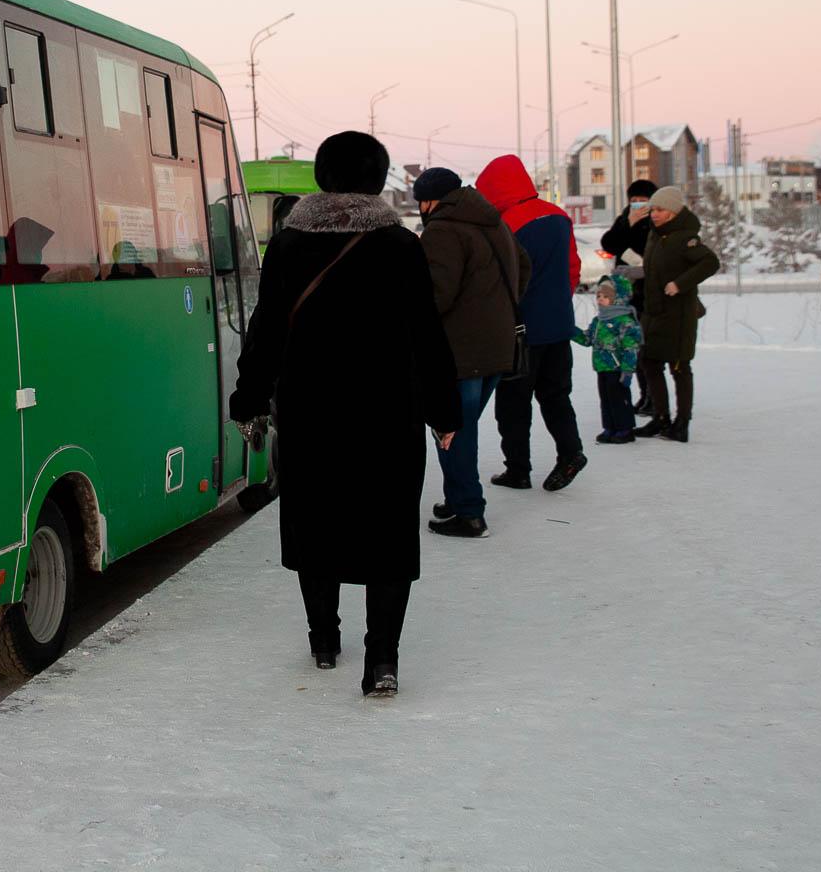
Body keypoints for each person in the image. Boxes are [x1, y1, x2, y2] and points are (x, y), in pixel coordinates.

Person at [231, 131, 460, 698]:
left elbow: (266, 332)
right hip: (388, 412)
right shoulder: (400, 246)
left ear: (323, 177)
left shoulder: (287, 246)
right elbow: (427, 335)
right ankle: (382, 658)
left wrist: (250, 400)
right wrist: (444, 410)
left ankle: (324, 640)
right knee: (388, 530)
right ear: (378, 178)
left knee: (317, 521)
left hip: (312, 412)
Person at [411, 167, 529, 539]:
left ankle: (468, 512)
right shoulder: (493, 223)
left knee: (451, 429)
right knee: (458, 426)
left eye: (421, 201)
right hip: (498, 344)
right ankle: (457, 498)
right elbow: (523, 268)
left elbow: (435, 294)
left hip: (460, 350)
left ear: (433, 200)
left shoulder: (443, 229)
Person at [473, 155, 588, 492]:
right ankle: (571, 452)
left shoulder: (505, 225)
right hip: (558, 325)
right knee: (556, 395)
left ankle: (518, 470)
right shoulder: (558, 216)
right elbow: (573, 268)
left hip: (520, 331)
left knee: (512, 404)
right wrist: (557, 305)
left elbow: (500, 282)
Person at [633, 186, 721, 442]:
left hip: (678, 315)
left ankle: (681, 424)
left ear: (672, 211)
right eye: (653, 210)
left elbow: (710, 262)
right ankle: (661, 419)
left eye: (660, 210)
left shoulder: (685, 238)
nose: (654, 214)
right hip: (653, 313)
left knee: (679, 366)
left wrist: (680, 284)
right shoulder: (655, 236)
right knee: (649, 362)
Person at [599, 179, 659, 412]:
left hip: (647, 291)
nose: (638, 205)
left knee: (646, 349)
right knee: (632, 348)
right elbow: (609, 243)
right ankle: (645, 396)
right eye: (633, 201)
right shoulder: (625, 219)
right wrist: (629, 224)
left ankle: (653, 398)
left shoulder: (657, 221)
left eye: (643, 200)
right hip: (626, 292)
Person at [574, 273, 643, 443]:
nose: (600, 299)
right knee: (606, 399)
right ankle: (610, 427)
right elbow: (588, 339)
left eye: (606, 296)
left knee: (619, 399)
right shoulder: (599, 320)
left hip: (617, 368)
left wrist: (627, 371)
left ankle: (625, 429)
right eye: (598, 295)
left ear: (618, 298)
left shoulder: (625, 321)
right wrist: (571, 331)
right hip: (602, 367)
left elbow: (630, 347)